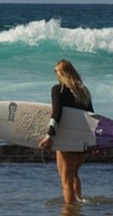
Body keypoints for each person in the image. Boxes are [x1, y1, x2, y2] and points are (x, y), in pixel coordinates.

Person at [37, 59, 93, 204]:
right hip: (82, 140)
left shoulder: (58, 89)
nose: (55, 75)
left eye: (56, 72)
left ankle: (69, 214)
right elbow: (92, 116)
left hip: (67, 140)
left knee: (66, 180)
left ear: (61, 73)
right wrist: (94, 143)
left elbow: (57, 113)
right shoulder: (83, 91)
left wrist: (49, 135)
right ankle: (78, 205)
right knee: (73, 174)